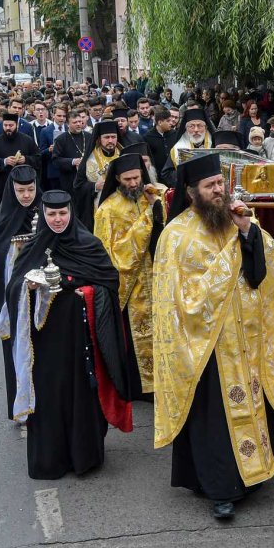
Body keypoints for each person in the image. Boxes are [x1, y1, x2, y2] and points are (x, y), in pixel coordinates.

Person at [153, 154, 274, 518]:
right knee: (214, 418)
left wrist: (248, 233)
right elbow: (179, 301)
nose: (218, 190)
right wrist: (227, 267)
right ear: (191, 192)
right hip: (206, 345)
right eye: (210, 186)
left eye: (220, 183)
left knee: (251, 404)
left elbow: (263, 273)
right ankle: (219, 489)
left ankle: (253, 475)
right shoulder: (176, 236)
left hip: (246, 339)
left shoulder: (237, 222)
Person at [5, 189, 132, 479]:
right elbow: (13, 288)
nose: (58, 219)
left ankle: (84, 457)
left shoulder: (89, 244)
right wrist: (30, 287)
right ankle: (51, 459)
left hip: (80, 339)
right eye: (52, 214)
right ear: (44, 215)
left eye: (63, 213)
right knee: (50, 394)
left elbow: (109, 281)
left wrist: (84, 291)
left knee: (81, 393)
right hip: (46, 340)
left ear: (71, 213)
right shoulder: (34, 248)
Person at [93, 151, 164, 400]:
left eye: (136, 178)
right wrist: (148, 219)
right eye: (127, 179)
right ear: (118, 180)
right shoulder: (108, 210)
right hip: (130, 283)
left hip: (157, 277)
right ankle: (141, 387)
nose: (133, 183)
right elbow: (108, 252)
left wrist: (157, 207)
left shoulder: (151, 198)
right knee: (135, 336)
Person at [0, 165, 41, 420]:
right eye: (21, 191)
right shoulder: (2, 221)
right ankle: (21, 408)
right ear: (13, 190)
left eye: (30, 189)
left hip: (42, 296)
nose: (27, 195)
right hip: (16, 298)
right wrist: (15, 251)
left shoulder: (44, 212)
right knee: (17, 351)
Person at [0, 111, 41, 216]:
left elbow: (38, 159)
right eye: (5, 125)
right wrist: (4, 162)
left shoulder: (27, 140)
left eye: (11, 125)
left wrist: (26, 159)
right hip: (3, 187)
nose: (8, 128)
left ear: (17, 125)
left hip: (25, 186)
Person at [71, 120, 121, 230]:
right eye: (106, 137)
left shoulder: (123, 155)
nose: (110, 140)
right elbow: (77, 186)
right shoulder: (89, 159)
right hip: (95, 209)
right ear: (99, 139)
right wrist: (94, 186)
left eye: (113, 137)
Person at [50, 108, 89, 192]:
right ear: (67, 124)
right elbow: (55, 160)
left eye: (80, 121)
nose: (78, 124)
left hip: (87, 178)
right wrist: (73, 161)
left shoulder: (89, 136)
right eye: (75, 122)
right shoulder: (61, 139)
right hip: (69, 180)